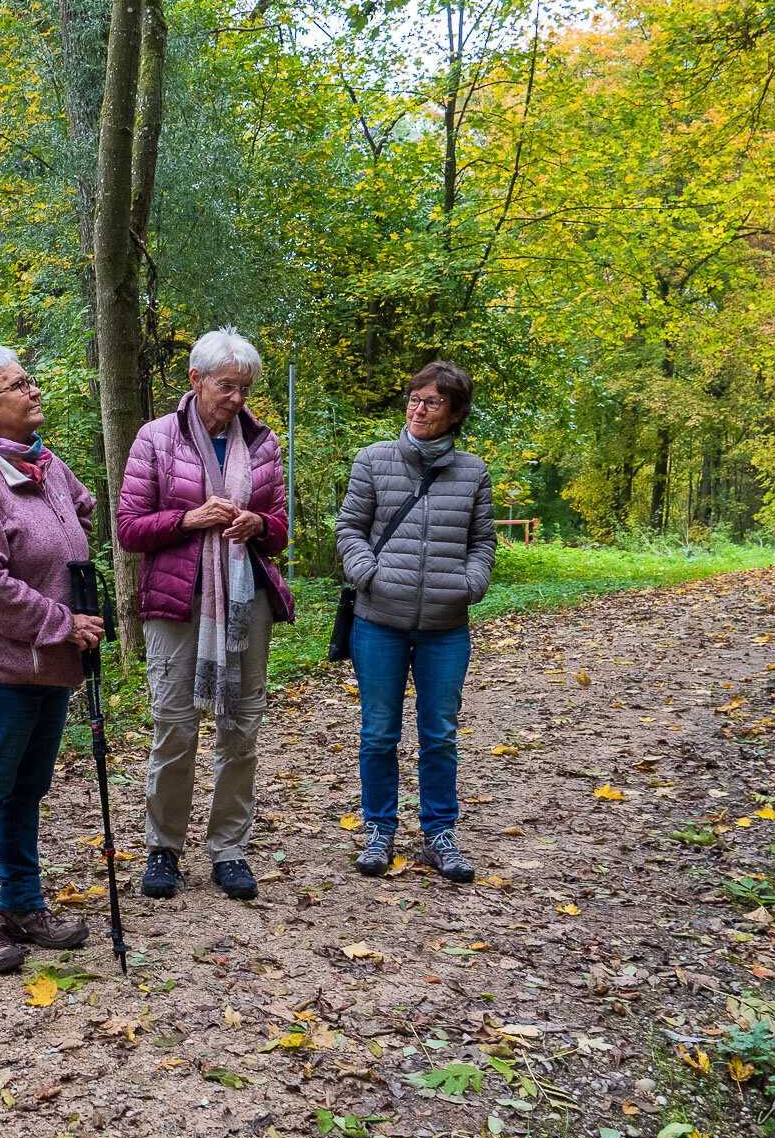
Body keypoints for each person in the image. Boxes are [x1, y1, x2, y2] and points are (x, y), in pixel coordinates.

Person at [0, 345, 102, 974]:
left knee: (26, 790)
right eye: (19, 384)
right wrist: (62, 621)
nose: (34, 390)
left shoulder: (41, 464)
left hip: (48, 664)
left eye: (29, 380)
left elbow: (80, 506)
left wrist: (67, 532)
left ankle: (24, 905)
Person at [116, 327, 294, 903]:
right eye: (227, 386)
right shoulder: (156, 439)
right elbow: (127, 530)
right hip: (176, 604)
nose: (237, 399)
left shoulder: (263, 444)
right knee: (175, 727)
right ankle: (164, 848)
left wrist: (259, 525)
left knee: (242, 727)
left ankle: (230, 849)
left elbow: (282, 527)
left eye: (245, 388)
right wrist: (188, 520)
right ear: (195, 380)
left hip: (247, 602)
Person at [334, 360, 495, 884]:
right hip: (378, 619)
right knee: (379, 732)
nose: (419, 409)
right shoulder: (374, 460)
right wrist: (367, 573)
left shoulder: (472, 472)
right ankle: (379, 830)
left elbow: (483, 542)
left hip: (446, 628)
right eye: (414, 399)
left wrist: (471, 584)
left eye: (432, 402)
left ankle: (440, 834)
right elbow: (350, 527)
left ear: (455, 414)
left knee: (440, 734)